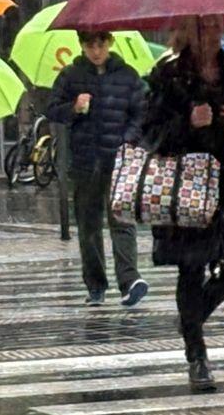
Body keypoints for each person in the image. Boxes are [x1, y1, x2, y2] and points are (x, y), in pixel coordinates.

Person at [145, 16, 224, 391]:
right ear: (186, 32)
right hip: (188, 185)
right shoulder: (167, 75)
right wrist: (187, 123)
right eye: (202, 26)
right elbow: (150, 132)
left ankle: (190, 319)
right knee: (191, 267)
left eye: (215, 25)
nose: (212, 33)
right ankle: (197, 355)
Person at [45, 30, 149, 307]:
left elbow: (142, 111)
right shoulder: (71, 75)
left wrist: (128, 139)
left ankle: (129, 281)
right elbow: (52, 109)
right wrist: (74, 108)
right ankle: (95, 285)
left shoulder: (127, 76)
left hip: (120, 160)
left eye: (100, 44)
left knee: (122, 222)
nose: (95, 51)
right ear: (81, 46)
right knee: (89, 227)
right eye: (89, 45)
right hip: (85, 161)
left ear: (109, 43)